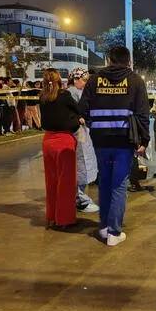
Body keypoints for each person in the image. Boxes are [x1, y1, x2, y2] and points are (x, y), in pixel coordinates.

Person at [79, 45, 150, 246]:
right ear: (129, 61)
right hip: (124, 140)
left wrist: (94, 123)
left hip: (100, 140)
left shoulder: (94, 80)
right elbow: (143, 113)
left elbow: (82, 109)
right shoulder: (135, 81)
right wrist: (144, 140)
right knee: (119, 184)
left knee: (105, 183)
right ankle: (114, 232)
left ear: (109, 60)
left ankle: (103, 228)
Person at [40, 68, 83, 229]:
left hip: (48, 141)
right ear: (59, 79)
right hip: (64, 141)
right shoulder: (64, 95)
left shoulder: (42, 96)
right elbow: (77, 110)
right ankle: (64, 218)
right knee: (66, 182)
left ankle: (51, 216)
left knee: (51, 181)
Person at [67, 68, 99, 214]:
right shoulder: (72, 93)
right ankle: (79, 199)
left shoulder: (78, 92)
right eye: (84, 80)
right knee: (80, 164)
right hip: (78, 134)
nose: (86, 84)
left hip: (83, 133)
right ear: (75, 79)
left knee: (84, 163)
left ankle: (79, 196)